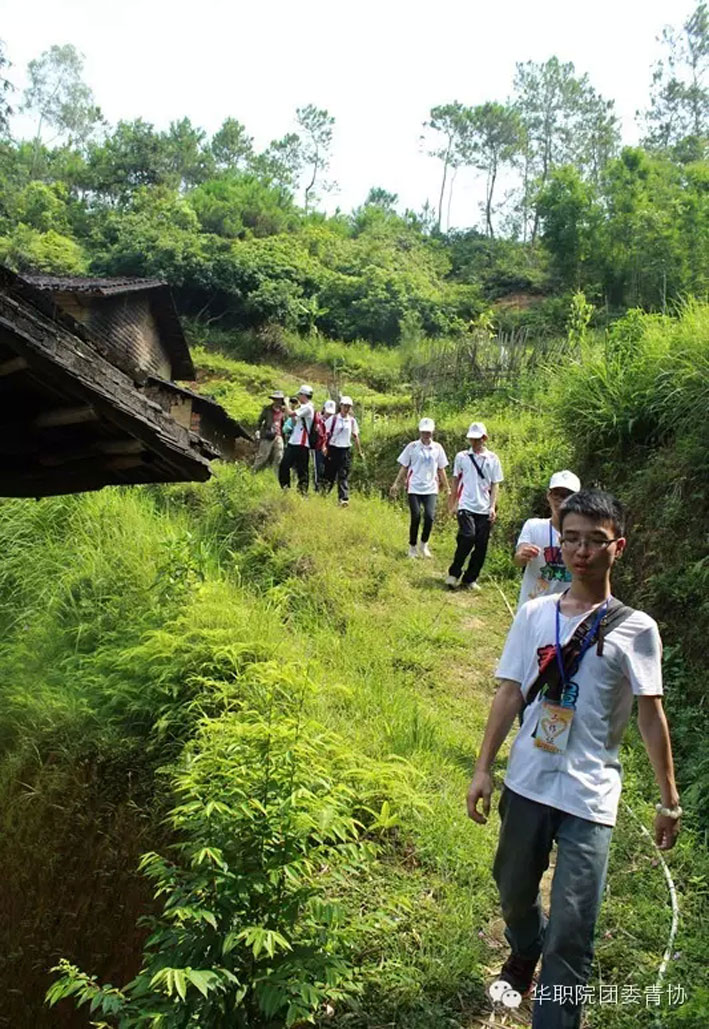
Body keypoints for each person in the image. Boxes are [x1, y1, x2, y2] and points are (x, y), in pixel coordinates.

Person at [467, 489, 680, 1029]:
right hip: (529, 779)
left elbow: (650, 715)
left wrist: (669, 799)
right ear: (559, 546)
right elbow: (510, 692)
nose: (582, 551)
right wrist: (483, 767)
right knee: (513, 889)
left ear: (618, 547)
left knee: (573, 927)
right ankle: (523, 947)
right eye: (572, 540)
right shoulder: (536, 615)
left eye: (595, 541)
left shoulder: (638, 630)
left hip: (591, 794)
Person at [445, 421, 504, 591]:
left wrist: (492, 507)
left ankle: (470, 578)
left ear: (484, 438)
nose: (474, 442)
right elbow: (456, 480)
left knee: (481, 545)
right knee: (467, 537)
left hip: (484, 507)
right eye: (472, 439)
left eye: (478, 439)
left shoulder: (493, 459)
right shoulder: (461, 457)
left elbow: (495, 484)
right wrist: (453, 503)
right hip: (465, 505)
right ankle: (454, 573)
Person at [514, 471, 581, 610]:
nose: (561, 500)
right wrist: (522, 556)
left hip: (565, 611)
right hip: (531, 607)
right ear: (548, 496)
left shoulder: (584, 535)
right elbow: (517, 560)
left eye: (567, 495)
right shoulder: (533, 526)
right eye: (556, 494)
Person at [390, 418, 449, 558]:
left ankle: (424, 544)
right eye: (423, 432)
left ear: (432, 432)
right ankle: (412, 547)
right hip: (414, 487)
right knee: (415, 517)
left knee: (429, 517)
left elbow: (441, 469)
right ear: (420, 431)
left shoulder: (438, 448)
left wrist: (446, 486)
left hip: (431, 488)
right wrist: (396, 484)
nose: (426, 435)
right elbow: (404, 466)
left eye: (428, 432)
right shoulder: (412, 447)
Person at [323, 395, 363, 506]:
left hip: (345, 449)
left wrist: (359, 451)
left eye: (348, 406)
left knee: (343, 474)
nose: (346, 408)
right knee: (330, 473)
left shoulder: (352, 421)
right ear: (340, 406)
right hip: (333, 449)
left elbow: (355, 436)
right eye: (345, 406)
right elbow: (325, 434)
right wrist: (324, 447)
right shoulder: (333, 419)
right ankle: (324, 493)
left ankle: (343, 499)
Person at [278, 385, 315, 494]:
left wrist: (286, 402)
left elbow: (291, 414)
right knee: (284, 465)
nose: (298, 397)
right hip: (294, 441)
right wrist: (290, 408)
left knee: (302, 470)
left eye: (299, 395)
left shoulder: (308, 407)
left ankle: (302, 493)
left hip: (302, 443)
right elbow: (293, 420)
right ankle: (285, 488)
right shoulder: (302, 408)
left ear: (303, 395)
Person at [252, 391, 286, 474]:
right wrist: (258, 431)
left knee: (279, 456)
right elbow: (260, 421)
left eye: (279, 400)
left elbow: (285, 424)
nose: (277, 401)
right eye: (275, 399)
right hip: (268, 435)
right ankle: (253, 471)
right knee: (263, 456)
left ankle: (276, 474)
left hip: (279, 436)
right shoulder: (267, 409)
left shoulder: (283, 411)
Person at [314, 399, 337, 491]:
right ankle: (317, 488)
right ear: (324, 409)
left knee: (329, 470)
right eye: (328, 413)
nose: (329, 415)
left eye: (331, 414)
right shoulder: (318, 419)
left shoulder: (335, 421)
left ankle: (325, 489)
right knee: (319, 469)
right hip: (319, 448)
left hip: (331, 448)